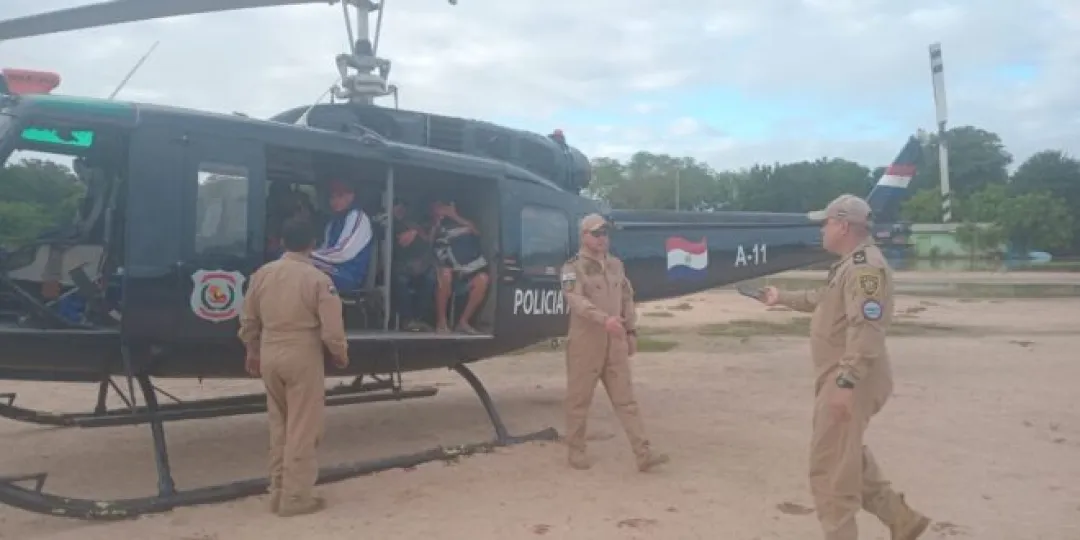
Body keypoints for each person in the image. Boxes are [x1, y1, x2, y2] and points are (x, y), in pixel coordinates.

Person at [759, 194, 930, 540]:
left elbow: (867, 328)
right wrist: (781, 298)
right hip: (845, 376)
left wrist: (846, 382)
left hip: (852, 378)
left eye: (826, 223)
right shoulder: (849, 265)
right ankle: (901, 518)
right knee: (843, 454)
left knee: (831, 472)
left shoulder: (865, 268)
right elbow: (823, 301)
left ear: (842, 225)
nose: (822, 229)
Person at [237, 216, 349, 517]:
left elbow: (248, 318)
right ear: (313, 244)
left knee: (279, 425)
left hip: (270, 352)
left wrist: (252, 349)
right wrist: (340, 354)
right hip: (302, 353)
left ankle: (277, 490)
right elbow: (332, 330)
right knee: (303, 428)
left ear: (282, 242)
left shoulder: (262, 274)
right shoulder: (318, 279)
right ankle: (296, 498)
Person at [560, 213, 669, 472]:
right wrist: (603, 319)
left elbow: (627, 297)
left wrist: (630, 331)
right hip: (586, 344)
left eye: (605, 233)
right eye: (596, 233)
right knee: (579, 401)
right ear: (584, 236)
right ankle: (576, 450)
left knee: (626, 400)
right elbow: (575, 300)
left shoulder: (616, 265)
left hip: (615, 342)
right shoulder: (572, 268)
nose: (602, 238)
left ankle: (643, 453)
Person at [430, 199, 489, 334]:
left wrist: (453, 215)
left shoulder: (464, 222)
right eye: (438, 206)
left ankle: (463, 322)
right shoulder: (430, 224)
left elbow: (476, 232)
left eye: (443, 206)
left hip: (466, 272)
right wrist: (436, 222)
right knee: (445, 274)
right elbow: (428, 242)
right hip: (441, 272)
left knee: (483, 279)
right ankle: (441, 322)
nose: (441, 209)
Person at [310, 179, 374, 293]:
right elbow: (326, 247)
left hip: (349, 275)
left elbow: (343, 251)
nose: (335, 201)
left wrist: (309, 254)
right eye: (332, 197)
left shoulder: (358, 217)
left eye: (340, 196)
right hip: (334, 268)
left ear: (351, 196)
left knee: (301, 264)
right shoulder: (333, 222)